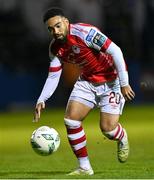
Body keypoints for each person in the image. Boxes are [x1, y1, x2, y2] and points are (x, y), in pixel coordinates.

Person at [33, 7, 135, 176]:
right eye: (51, 29)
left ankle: (121, 135)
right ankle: (85, 167)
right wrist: (41, 99)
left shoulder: (85, 33)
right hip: (87, 81)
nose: (55, 32)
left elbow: (115, 51)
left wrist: (124, 83)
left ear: (66, 21)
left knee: (108, 130)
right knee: (71, 120)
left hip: (112, 81)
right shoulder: (55, 48)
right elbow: (53, 76)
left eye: (58, 26)